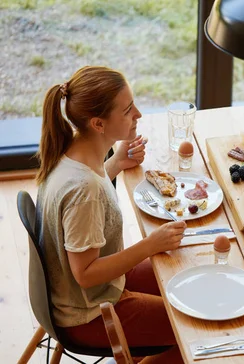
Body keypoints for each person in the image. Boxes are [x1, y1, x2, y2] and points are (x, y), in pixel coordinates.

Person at [36, 66, 186, 363]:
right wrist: (149, 244)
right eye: (128, 110)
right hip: (88, 313)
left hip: (92, 291)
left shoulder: (73, 152)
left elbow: (86, 198)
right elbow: (86, 275)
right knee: (194, 326)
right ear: (98, 123)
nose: (139, 114)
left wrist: (116, 163)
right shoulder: (85, 189)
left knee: (183, 272)